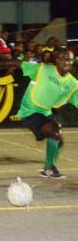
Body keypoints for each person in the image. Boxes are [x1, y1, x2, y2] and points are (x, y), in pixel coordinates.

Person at [17, 49, 78, 179]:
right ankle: (49, 167)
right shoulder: (42, 69)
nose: (66, 61)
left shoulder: (73, 83)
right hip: (30, 110)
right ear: (56, 60)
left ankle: (48, 168)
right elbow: (20, 64)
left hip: (45, 112)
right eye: (62, 58)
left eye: (69, 59)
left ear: (73, 62)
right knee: (55, 132)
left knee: (59, 141)